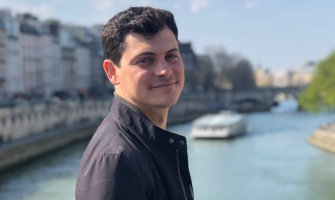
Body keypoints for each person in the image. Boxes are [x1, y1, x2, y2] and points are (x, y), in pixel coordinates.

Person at [76, 6, 194, 200]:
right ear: (112, 72)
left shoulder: (144, 146)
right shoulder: (116, 162)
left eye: (171, 56)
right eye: (145, 60)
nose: (164, 70)